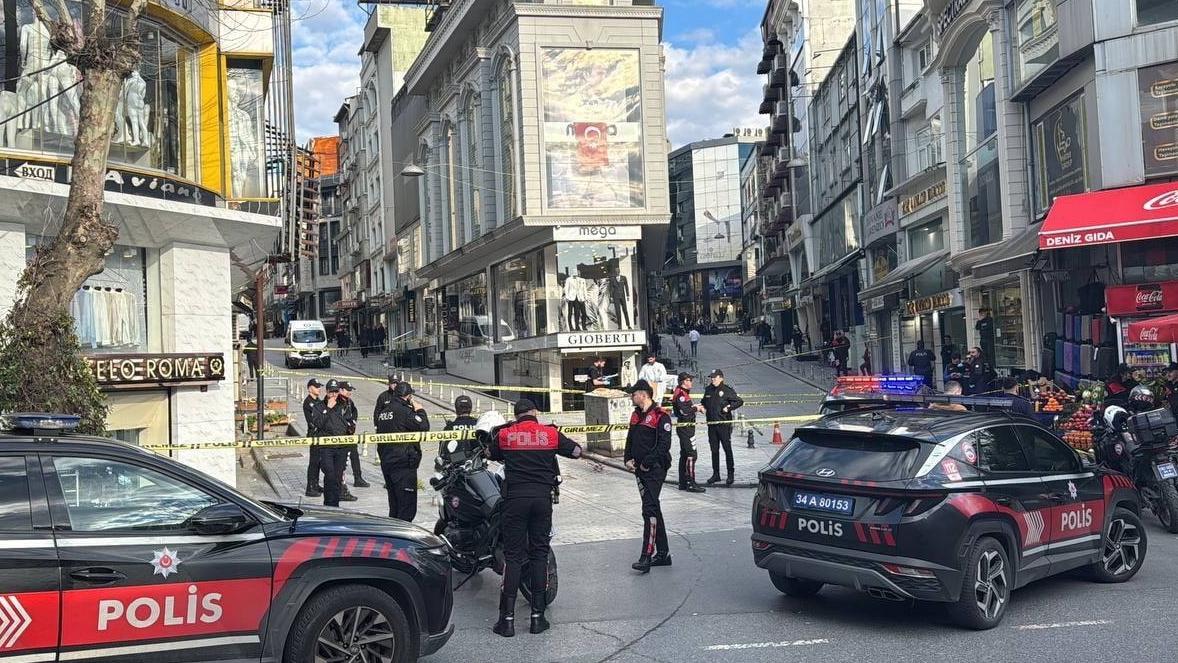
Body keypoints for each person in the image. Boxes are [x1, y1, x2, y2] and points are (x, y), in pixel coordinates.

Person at [486, 399, 582, 637]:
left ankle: (506, 621)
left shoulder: (506, 434)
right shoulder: (550, 434)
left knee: (513, 557)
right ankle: (537, 619)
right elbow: (577, 452)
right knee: (539, 554)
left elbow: (490, 453)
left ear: (516, 415)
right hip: (542, 500)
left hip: (515, 500)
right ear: (534, 413)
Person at [623, 379, 674, 573]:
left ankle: (646, 555)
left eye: (634, 394)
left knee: (649, 510)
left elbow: (664, 445)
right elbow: (630, 439)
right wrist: (627, 458)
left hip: (655, 469)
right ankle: (663, 554)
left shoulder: (661, 416)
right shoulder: (636, 414)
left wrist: (646, 463)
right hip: (640, 470)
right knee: (653, 507)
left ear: (643, 395)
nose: (632, 397)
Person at [374, 381, 428, 521]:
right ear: (408, 396)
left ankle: (392, 531)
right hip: (403, 463)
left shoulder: (384, 413)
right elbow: (423, 426)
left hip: (387, 462)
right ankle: (402, 533)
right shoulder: (405, 412)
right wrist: (420, 410)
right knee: (407, 508)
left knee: (395, 506)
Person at [308, 379, 353, 507]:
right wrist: (328, 408)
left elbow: (349, 421)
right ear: (327, 392)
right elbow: (317, 424)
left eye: (336, 392)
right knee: (329, 474)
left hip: (341, 447)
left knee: (338, 477)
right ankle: (328, 503)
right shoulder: (319, 406)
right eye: (331, 392)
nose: (333, 395)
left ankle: (335, 504)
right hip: (326, 447)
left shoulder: (344, 405)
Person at [701, 369, 743, 486]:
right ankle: (716, 474)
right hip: (712, 425)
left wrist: (728, 408)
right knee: (714, 450)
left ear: (721, 378)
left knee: (727, 449)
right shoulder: (708, 389)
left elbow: (739, 401)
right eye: (712, 377)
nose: (713, 379)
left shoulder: (726, 390)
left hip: (724, 425)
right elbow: (703, 401)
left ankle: (730, 474)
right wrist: (703, 407)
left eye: (715, 377)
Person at [670, 372, 706, 493]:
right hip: (686, 428)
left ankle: (683, 482)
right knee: (691, 455)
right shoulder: (681, 394)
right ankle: (691, 482)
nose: (691, 382)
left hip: (686, 427)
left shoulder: (683, 392)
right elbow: (684, 411)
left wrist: (695, 406)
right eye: (689, 380)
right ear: (684, 382)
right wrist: (696, 408)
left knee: (685, 454)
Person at [338, 382, 365, 495]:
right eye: (347, 390)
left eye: (350, 390)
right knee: (342, 460)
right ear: (340, 390)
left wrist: (353, 423)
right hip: (341, 435)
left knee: (354, 455)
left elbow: (355, 411)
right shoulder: (337, 401)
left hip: (349, 434)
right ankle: (340, 484)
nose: (350, 392)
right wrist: (346, 425)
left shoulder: (349, 401)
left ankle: (358, 478)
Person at [303, 378, 325, 497]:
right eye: (316, 387)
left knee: (319, 462)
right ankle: (310, 488)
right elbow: (312, 421)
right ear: (310, 388)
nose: (319, 389)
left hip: (321, 434)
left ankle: (316, 484)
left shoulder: (318, 401)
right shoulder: (309, 402)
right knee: (314, 462)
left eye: (319, 386)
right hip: (314, 434)